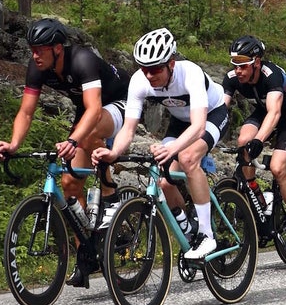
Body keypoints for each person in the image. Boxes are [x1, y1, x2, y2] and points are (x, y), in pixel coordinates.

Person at [0, 18, 130, 287]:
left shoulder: (82, 60)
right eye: (32, 48)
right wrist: (13, 144)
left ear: (57, 48)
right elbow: (26, 111)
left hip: (121, 102)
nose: (34, 55)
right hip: (90, 111)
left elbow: (93, 110)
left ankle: (110, 194)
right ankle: (86, 255)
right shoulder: (37, 67)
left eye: (40, 49)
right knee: (69, 184)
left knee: (88, 133)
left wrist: (72, 141)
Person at [91, 28, 228, 260]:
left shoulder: (191, 73)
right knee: (165, 181)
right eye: (144, 69)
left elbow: (198, 126)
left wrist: (172, 149)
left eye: (155, 69)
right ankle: (190, 233)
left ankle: (207, 235)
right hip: (179, 120)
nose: (149, 75)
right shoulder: (139, 81)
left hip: (212, 115)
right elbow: (129, 128)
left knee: (188, 158)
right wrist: (113, 152)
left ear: (171, 64)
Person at [222, 35, 286, 251]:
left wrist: (259, 140)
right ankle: (256, 197)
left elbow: (275, 112)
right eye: (235, 65)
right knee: (243, 140)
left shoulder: (272, 76)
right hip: (262, 111)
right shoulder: (231, 78)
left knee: (278, 168)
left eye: (243, 66)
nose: (238, 71)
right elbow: (221, 109)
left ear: (257, 62)